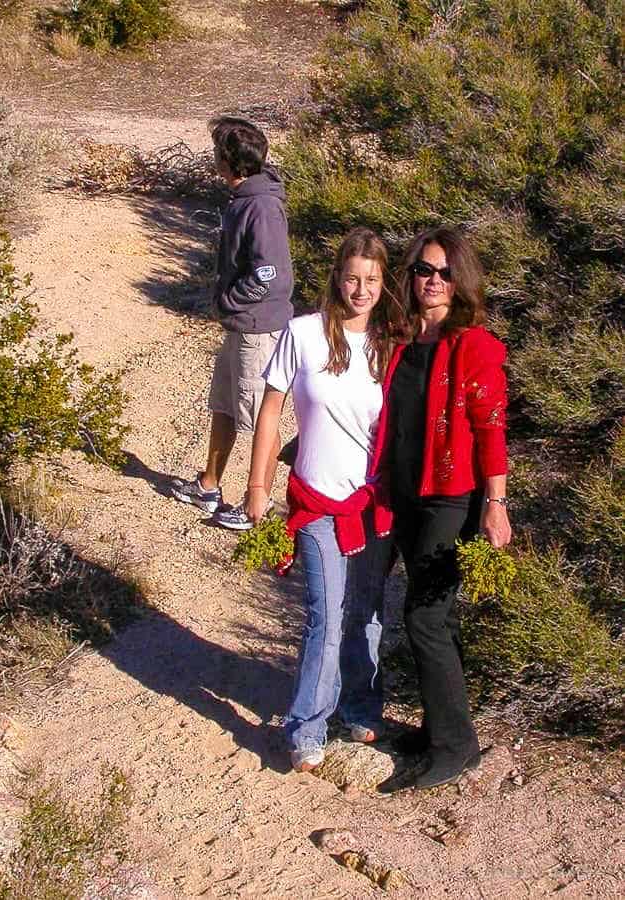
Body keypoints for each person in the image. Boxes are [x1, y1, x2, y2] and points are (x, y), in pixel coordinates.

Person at [245, 227, 409, 772]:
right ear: (337, 277)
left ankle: (361, 706)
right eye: (352, 278)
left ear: (384, 284)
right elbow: (270, 410)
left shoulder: (391, 346)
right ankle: (307, 724)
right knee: (325, 613)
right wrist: (257, 486)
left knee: (365, 613)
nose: (360, 290)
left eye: (372, 280)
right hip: (315, 500)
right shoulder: (304, 334)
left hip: (369, 503)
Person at [375, 226, 512, 792]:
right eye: (423, 271)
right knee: (437, 614)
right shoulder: (399, 338)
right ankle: (440, 729)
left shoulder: (472, 344)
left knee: (424, 615)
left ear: (461, 281)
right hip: (404, 491)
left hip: (452, 495)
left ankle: (456, 745)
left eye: (444, 272)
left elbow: (491, 429)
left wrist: (496, 504)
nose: (432, 281)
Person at [171, 116, 294, 530]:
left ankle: (255, 503)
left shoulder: (260, 206)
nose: (213, 158)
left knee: (264, 418)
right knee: (225, 406)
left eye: (216, 151)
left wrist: (229, 299)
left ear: (229, 161)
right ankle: (209, 485)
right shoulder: (245, 197)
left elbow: (270, 274)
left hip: (258, 330)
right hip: (241, 327)